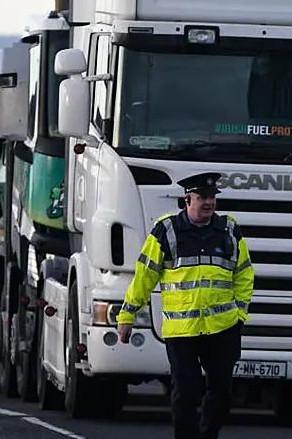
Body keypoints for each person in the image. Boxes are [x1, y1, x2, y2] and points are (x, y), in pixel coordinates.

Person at [117, 172, 255, 439]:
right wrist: (127, 314)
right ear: (187, 199)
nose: (209, 203)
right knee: (186, 391)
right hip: (183, 330)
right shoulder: (166, 231)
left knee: (221, 392)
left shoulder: (228, 229)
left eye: (212, 197)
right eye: (203, 197)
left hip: (222, 327)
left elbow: (244, 272)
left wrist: (239, 312)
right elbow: (144, 277)